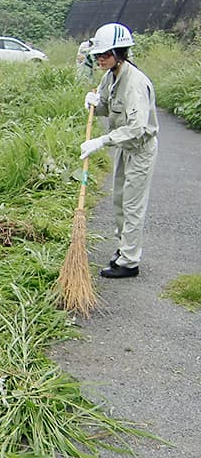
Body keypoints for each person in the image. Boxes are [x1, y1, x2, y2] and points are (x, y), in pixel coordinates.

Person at [79, 23, 158, 279]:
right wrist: (93, 103)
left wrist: (102, 141)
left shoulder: (135, 83)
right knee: (120, 201)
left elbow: (137, 128)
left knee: (133, 205)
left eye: (105, 54)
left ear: (120, 52)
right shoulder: (110, 75)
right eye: (98, 55)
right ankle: (124, 248)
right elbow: (104, 107)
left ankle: (129, 262)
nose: (100, 59)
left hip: (139, 149)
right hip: (124, 147)